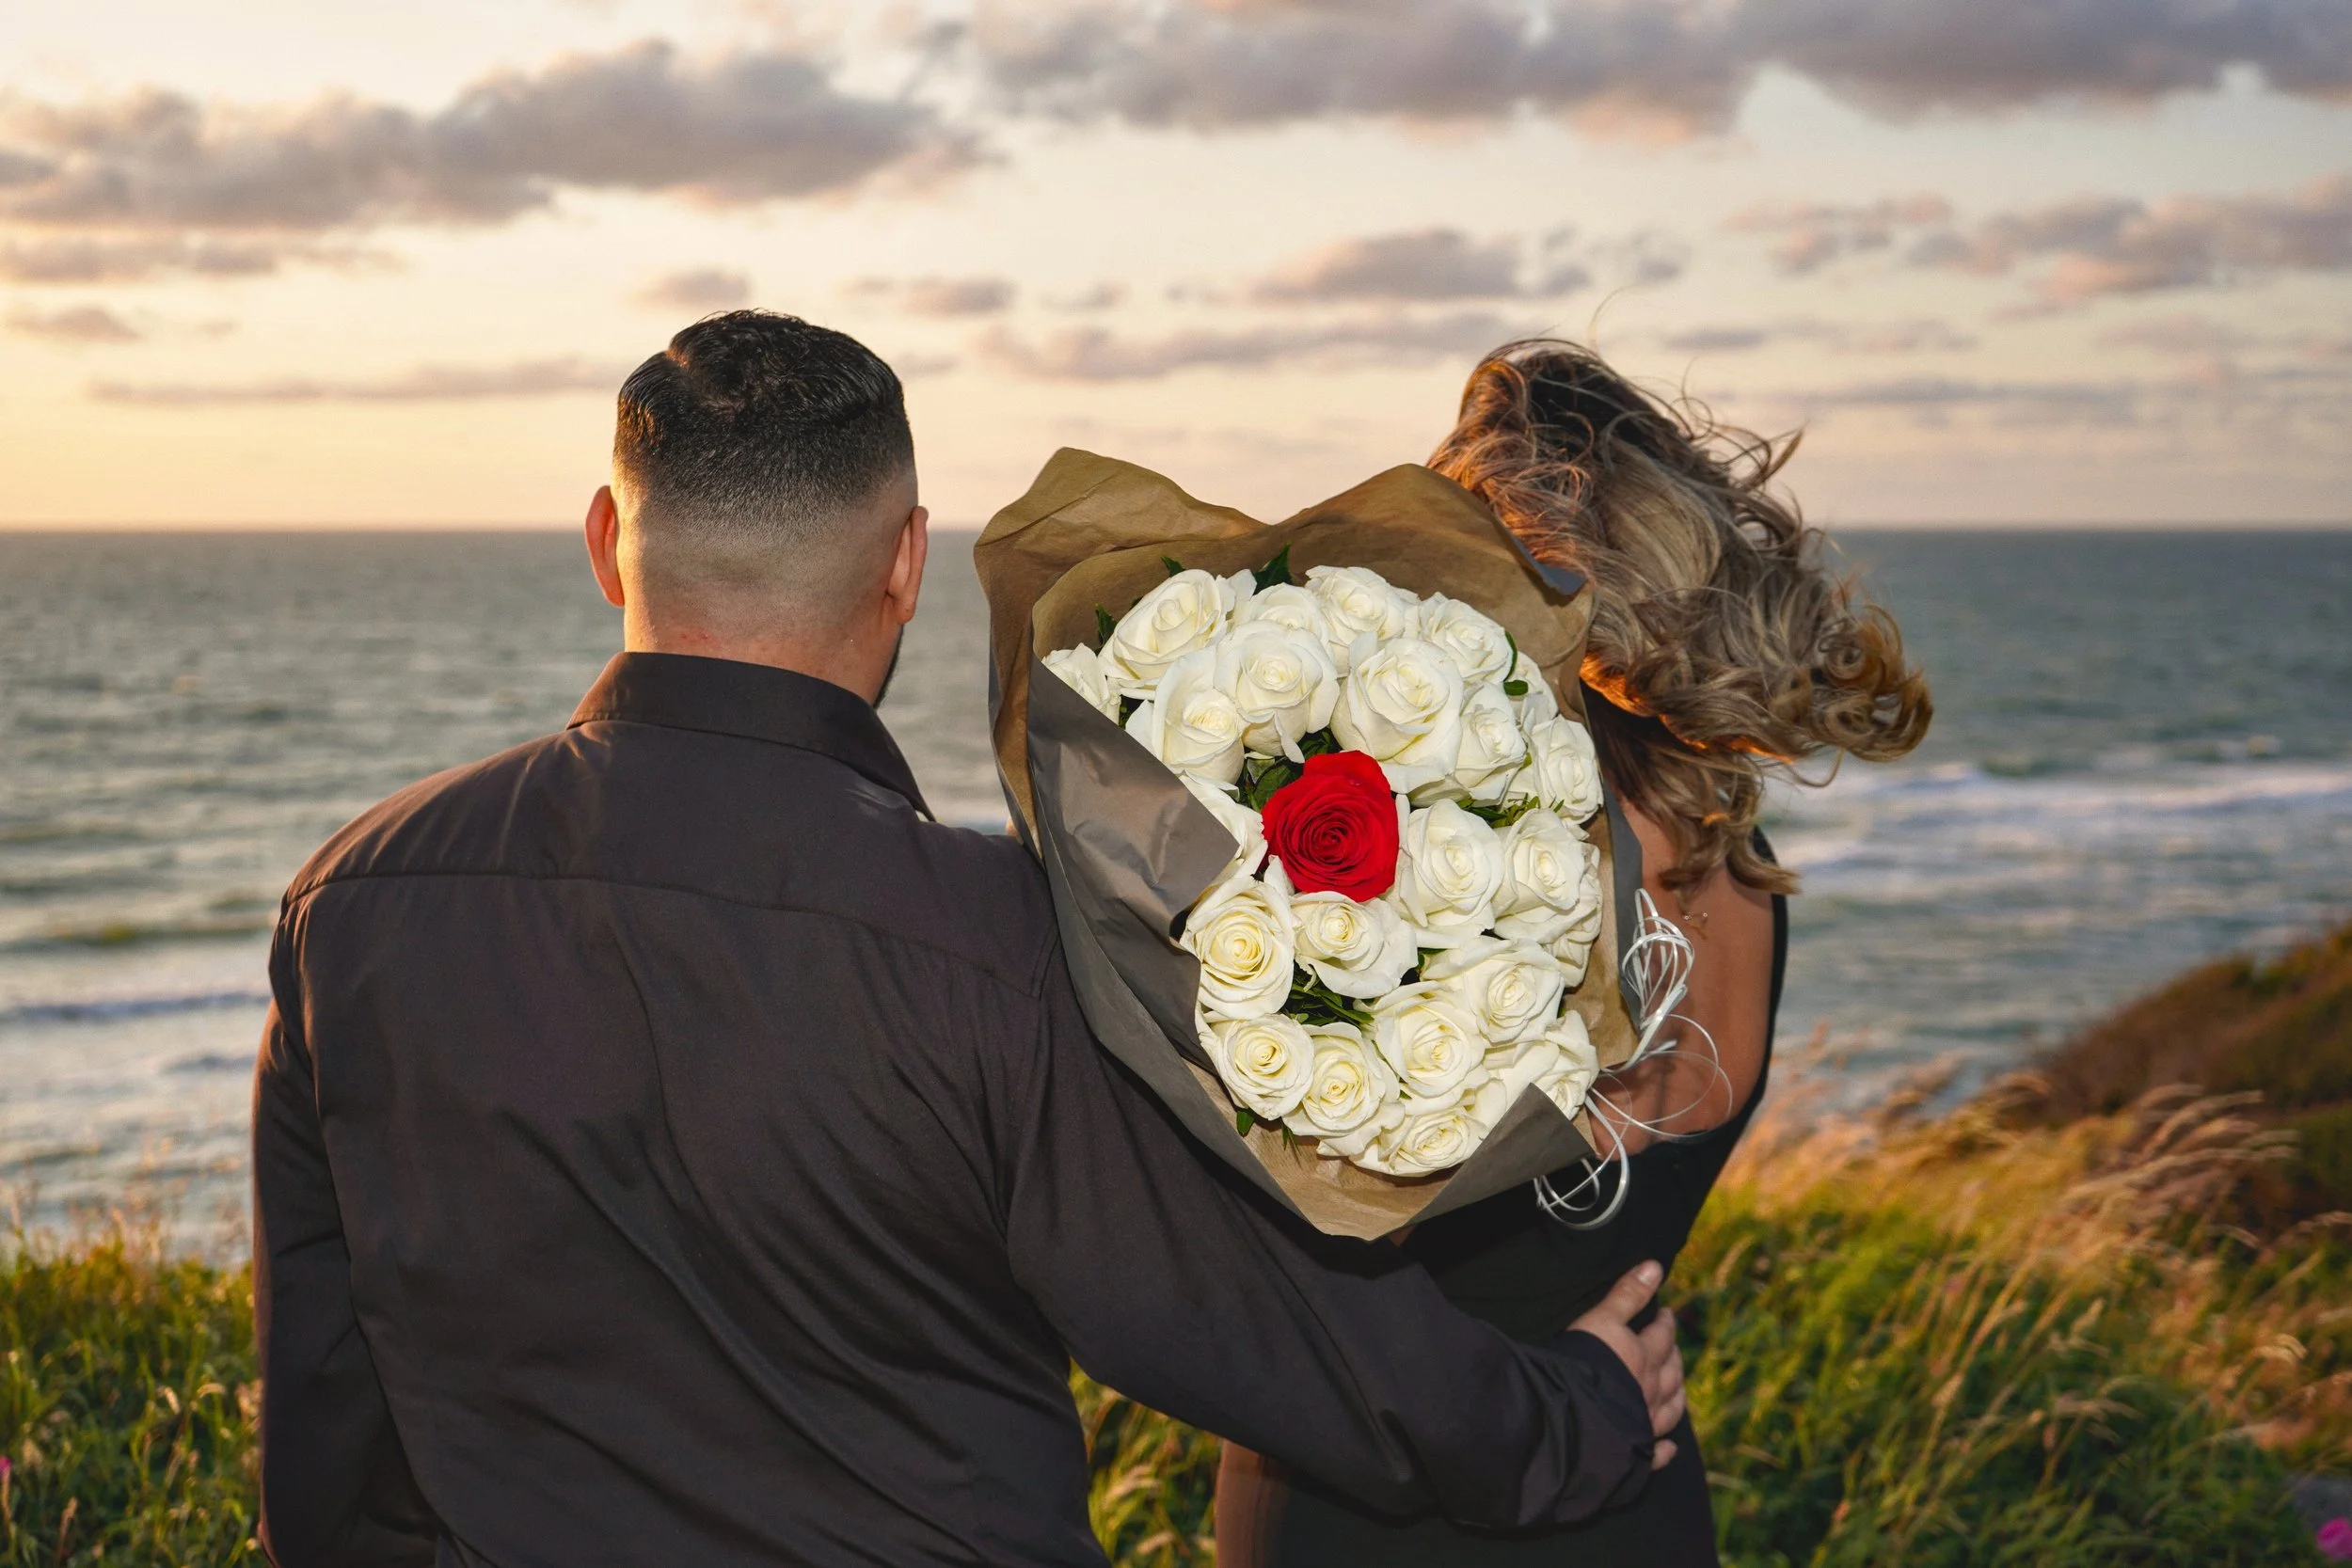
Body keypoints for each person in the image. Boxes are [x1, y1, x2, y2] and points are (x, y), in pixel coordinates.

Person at [249, 313, 1690, 1568]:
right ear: (907, 565)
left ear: (606, 538)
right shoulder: (997, 940)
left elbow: (327, 1432)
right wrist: (1577, 1410)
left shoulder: (353, 906)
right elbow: (1245, 1312)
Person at [1216, 339, 1932, 1567]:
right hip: (1638, 1492)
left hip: (1391, 1509)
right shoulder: (1738, 880)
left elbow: (1278, 1256)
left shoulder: (1469, 883)